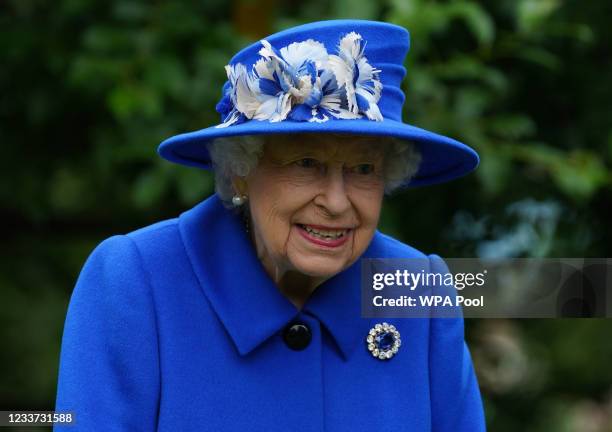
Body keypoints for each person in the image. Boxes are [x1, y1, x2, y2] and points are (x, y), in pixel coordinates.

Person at [54, 19, 486, 431]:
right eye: (306, 163)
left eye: (364, 169)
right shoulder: (137, 280)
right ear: (241, 167)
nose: (337, 203)